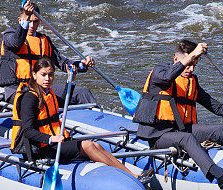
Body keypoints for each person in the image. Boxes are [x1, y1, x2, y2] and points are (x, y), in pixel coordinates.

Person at [133, 39, 223, 189]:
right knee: (186, 138)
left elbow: (216, 107)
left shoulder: (192, 82)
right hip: (157, 135)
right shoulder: (160, 71)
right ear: (176, 59)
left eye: (194, 65)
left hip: (180, 130)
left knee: (220, 129)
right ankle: (220, 176)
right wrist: (194, 53)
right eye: (188, 64)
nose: (191, 69)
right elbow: (167, 77)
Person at [11, 57, 150, 183]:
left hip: (54, 142)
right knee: (88, 146)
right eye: (43, 75)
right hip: (40, 148)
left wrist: (72, 80)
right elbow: (28, 131)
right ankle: (133, 177)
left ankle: (132, 174)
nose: (47, 78)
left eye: (51, 75)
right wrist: (51, 139)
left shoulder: (47, 92)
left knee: (96, 146)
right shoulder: (30, 97)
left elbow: (63, 101)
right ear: (34, 75)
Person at [0, 0, 97, 106]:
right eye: (28, 21)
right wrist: (26, 16)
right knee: (36, 98)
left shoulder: (44, 40)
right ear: (20, 20)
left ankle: (100, 118)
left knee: (82, 93)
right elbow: (16, 42)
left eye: (35, 21)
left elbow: (63, 63)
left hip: (41, 86)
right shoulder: (10, 35)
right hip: (16, 88)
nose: (31, 25)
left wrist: (82, 64)